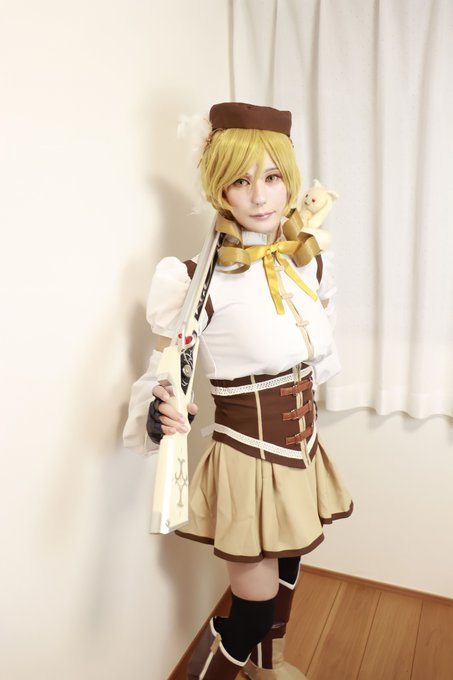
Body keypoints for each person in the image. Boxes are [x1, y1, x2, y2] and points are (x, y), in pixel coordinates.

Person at [123, 102, 353, 680]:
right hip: (249, 459)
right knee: (252, 606)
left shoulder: (308, 263)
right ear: (219, 188)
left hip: (302, 449)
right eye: (241, 181)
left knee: (290, 567)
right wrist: (163, 408)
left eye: (272, 177)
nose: (259, 196)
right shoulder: (196, 279)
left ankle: (267, 667)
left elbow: (314, 348)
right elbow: (166, 367)